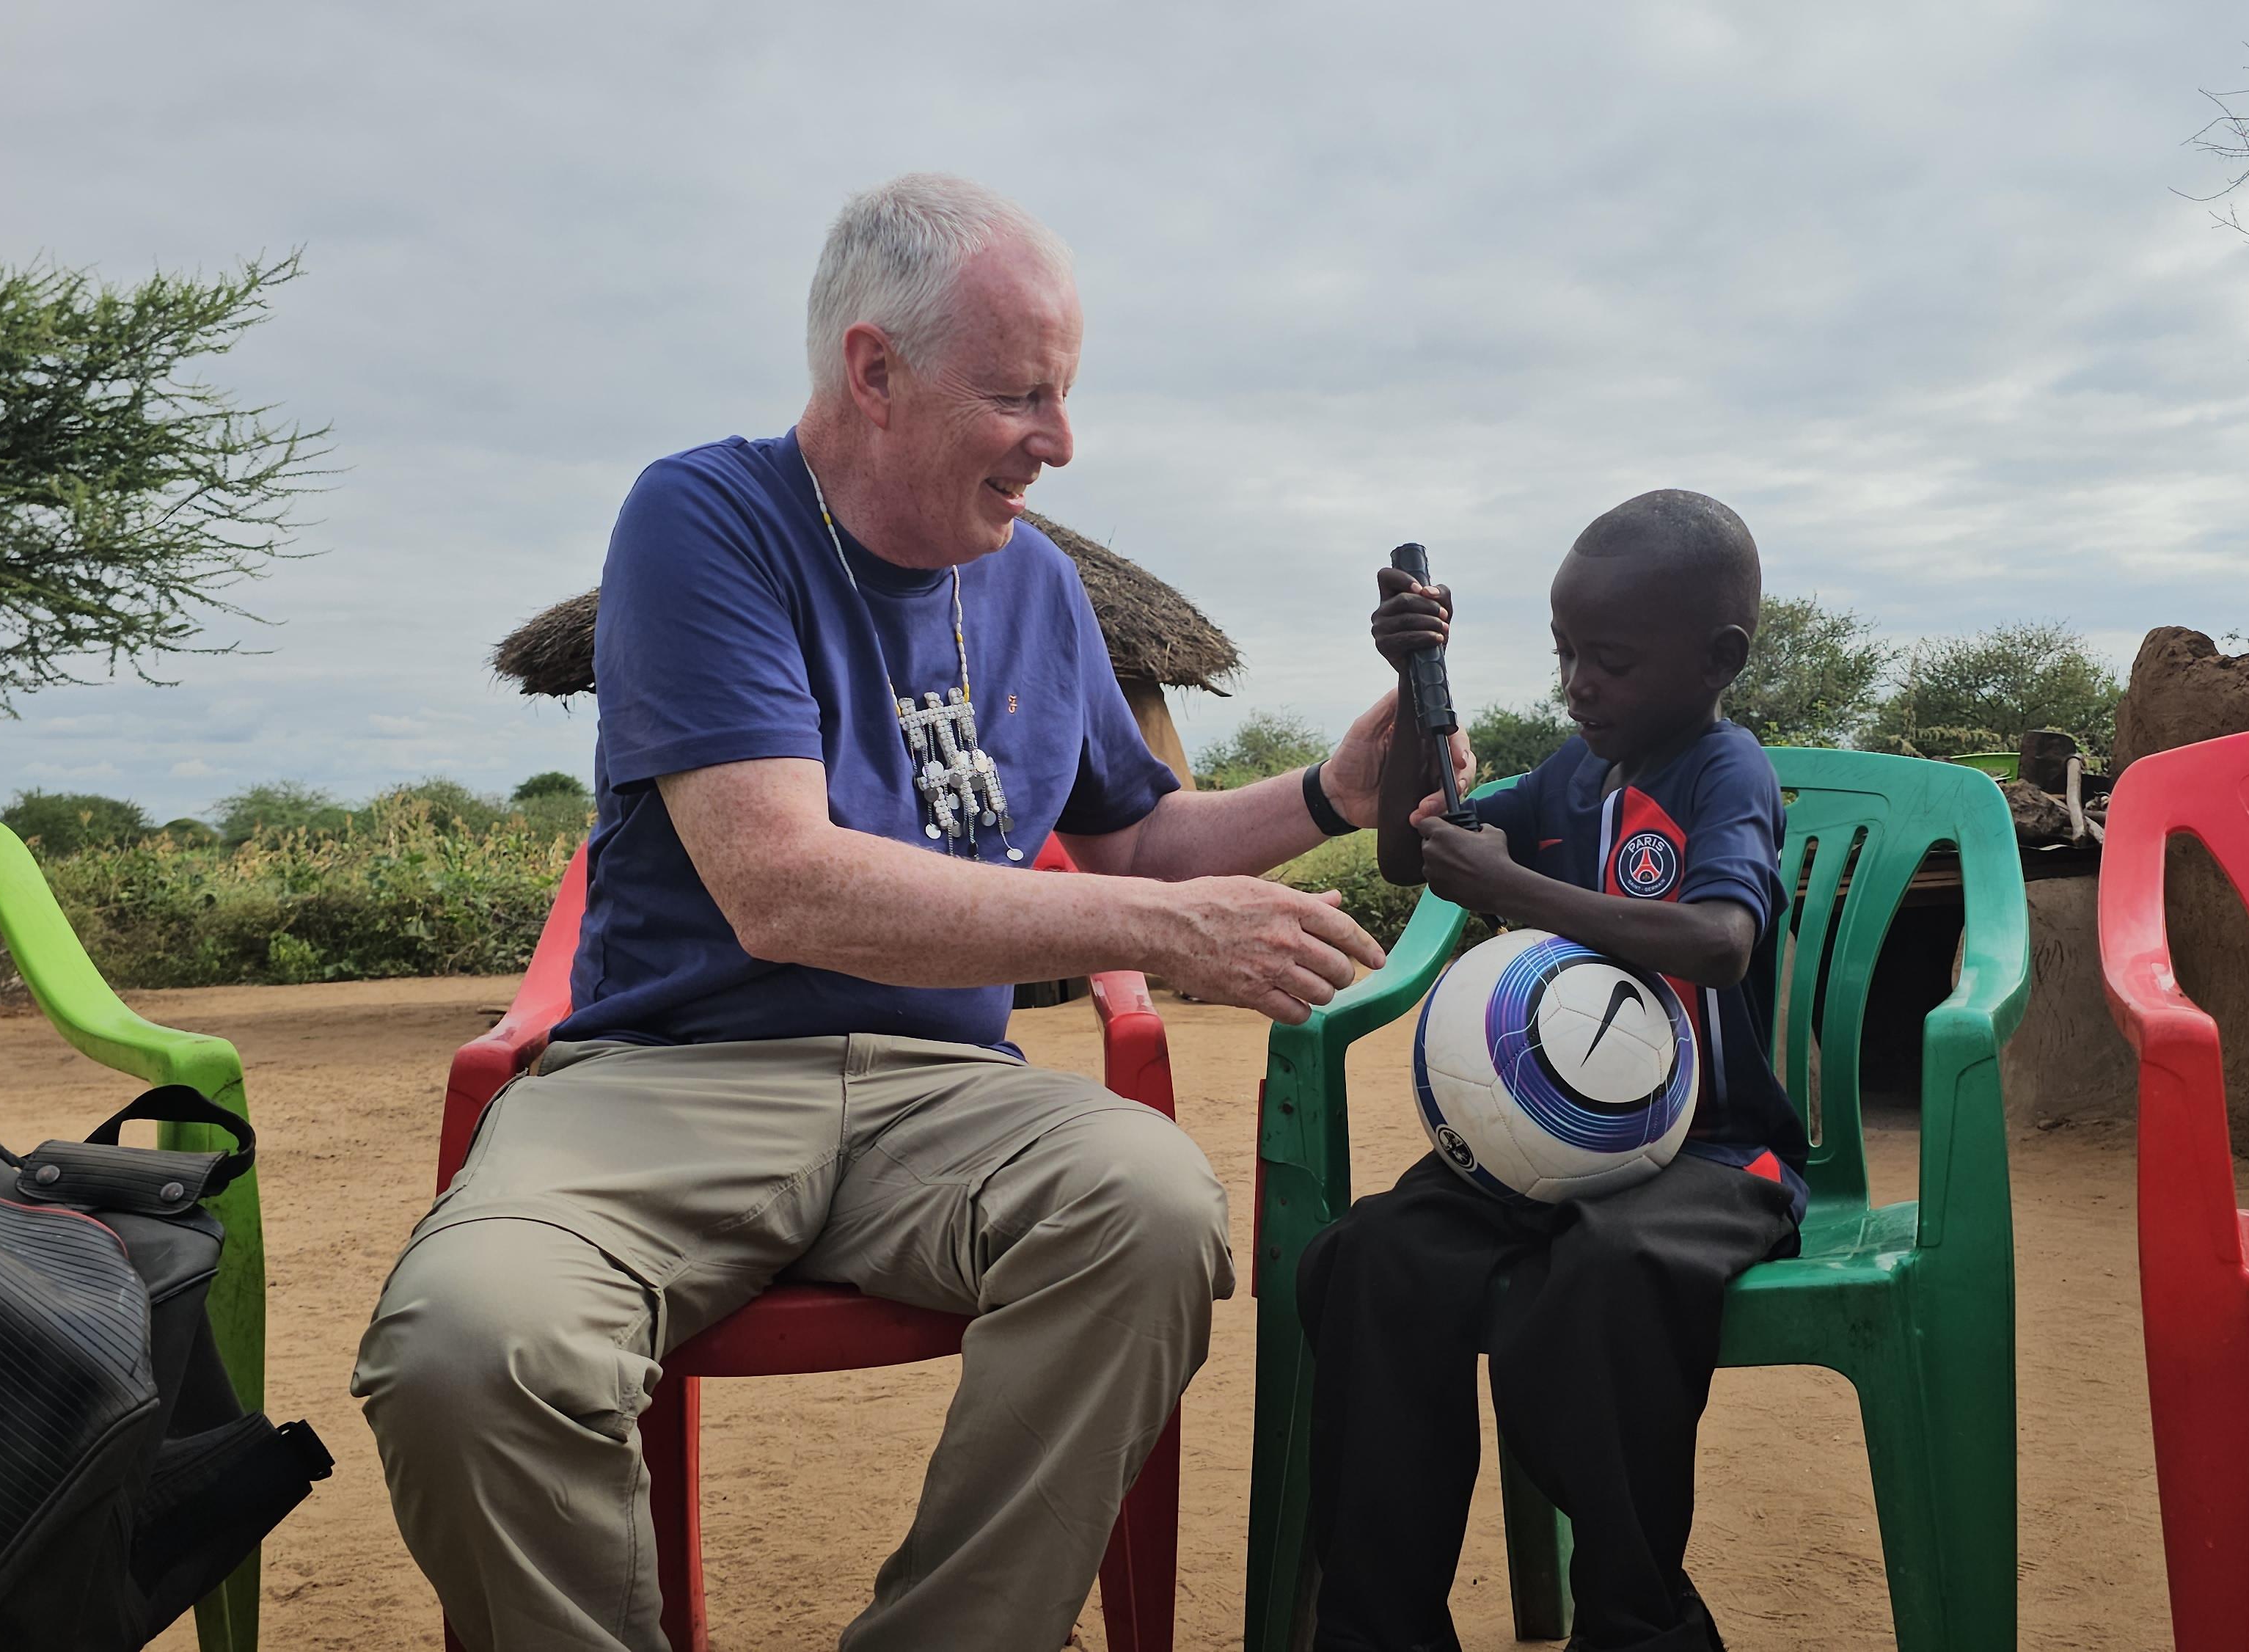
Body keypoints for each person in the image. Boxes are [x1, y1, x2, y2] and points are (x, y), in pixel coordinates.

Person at [351, 175, 1458, 1652]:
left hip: (940, 1097)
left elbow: (1132, 837)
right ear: (873, 372)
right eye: (1019, 398)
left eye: (1063, 399)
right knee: (465, 1347)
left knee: (1146, 1212)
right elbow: (782, 885)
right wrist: (1163, 936)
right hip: (669, 1081)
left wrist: (1330, 789)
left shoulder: (1042, 585)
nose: (1059, 445)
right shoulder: (704, 520)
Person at [1296, 489, 1808, 1652]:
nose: (1579, 683)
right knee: (1371, 1261)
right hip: (1548, 1149)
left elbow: (1721, 944)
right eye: (1565, 653)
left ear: (1716, 658)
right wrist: (1423, 695)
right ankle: (1379, 1628)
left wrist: (1514, 890)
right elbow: (1414, 845)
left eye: (1611, 661)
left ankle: (1638, 1622)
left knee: (1607, 1278)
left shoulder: (1727, 772)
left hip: (1715, 1154)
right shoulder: (1572, 776)